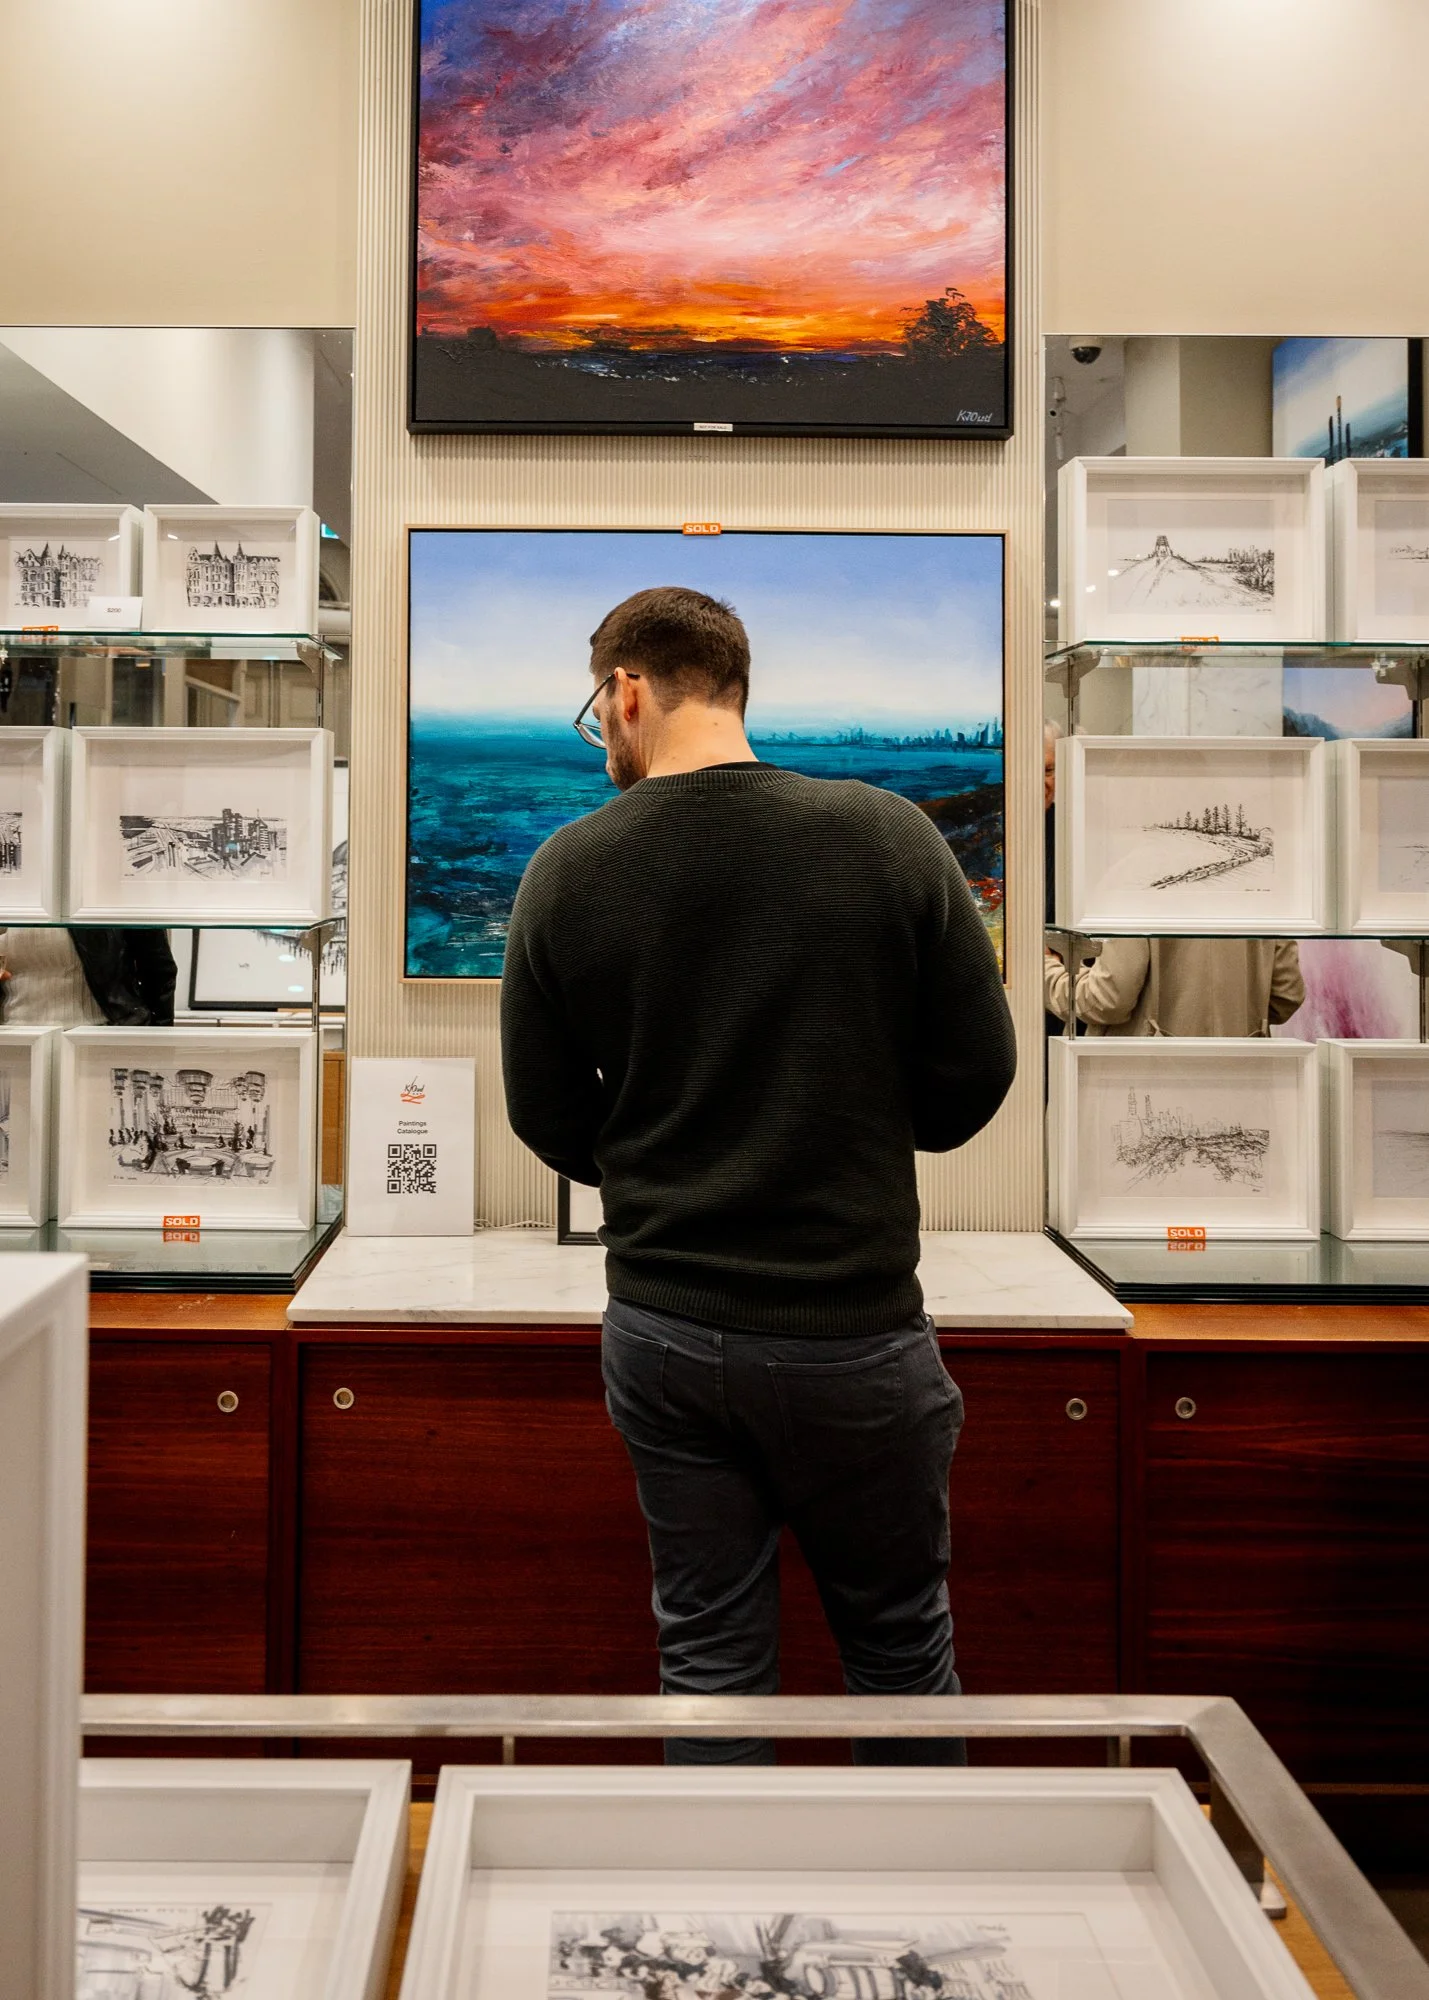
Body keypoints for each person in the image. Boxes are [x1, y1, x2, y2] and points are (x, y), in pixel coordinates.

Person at [501, 586, 1016, 1765]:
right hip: (858, 1331)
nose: (604, 736)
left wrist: (653, 1164)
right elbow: (975, 1079)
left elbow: (546, 1116)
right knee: (898, 1654)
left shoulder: (567, 870)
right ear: (734, 686)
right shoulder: (890, 836)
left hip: (667, 1328)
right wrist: (866, 1131)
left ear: (627, 692)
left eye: (600, 711)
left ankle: (726, 1938)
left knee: (710, 1665)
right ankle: (924, 1932)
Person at [1044, 933, 1304, 1036]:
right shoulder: (1265, 884)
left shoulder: (1131, 877)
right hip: (1246, 1080)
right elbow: (1286, 996)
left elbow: (1106, 1001)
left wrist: (1047, 972)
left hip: (1140, 1079)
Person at [0, 926, 177, 1025]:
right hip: (16, 1045)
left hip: (100, 1045)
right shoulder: (11, 888)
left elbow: (158, 971)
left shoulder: (106, 884)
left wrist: (159, 1047)